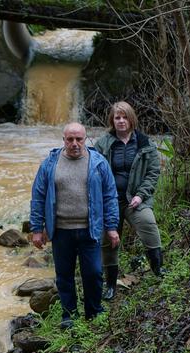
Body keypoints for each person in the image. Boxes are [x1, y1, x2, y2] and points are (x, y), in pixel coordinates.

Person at [30, 122, 120, 328]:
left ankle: (93, 311)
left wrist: (112, 226)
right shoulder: (50, 164)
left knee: (93, 273)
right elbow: (38, 196)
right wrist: (37, 229)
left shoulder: (98, 163)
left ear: (85, 139)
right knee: (64, 275)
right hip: (61, 230)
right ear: (64, 140)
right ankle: (69, 315)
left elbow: (110, 196)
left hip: (90, 229)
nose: (74, 143)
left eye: (78, 139)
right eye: (70, 139)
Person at [95, 101, 163, 301]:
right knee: (109, 241)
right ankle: (110, 285)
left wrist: (140, 195)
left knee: (149, 223)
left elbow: (153, 172)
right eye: (117, 117)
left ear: (131, 119)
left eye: (125, 117)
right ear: (112, 121)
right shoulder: (103, 144)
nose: (121, 121)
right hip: (110, 201)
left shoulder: (144, 143)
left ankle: (158, 269)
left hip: (135, 199)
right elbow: (94, 172)